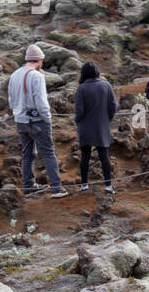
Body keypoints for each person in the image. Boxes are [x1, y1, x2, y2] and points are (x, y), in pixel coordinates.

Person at [8, 43, 67, 198]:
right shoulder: (37, 76)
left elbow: (11, 99)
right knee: (48, 153)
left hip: (20, 120)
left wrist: (17, 113)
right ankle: (56, 188)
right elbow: (41, 101)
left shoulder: (14, 75)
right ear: (39, 60)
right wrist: (47, 118)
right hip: (37, 121)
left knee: (27, 154)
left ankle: (28, 186)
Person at [74, 61, 117, 194]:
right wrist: (107, 120)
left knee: (85, 156)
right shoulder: (106, 85)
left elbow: (79, 111)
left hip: (86, 127)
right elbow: (113, 106)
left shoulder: (81, 88)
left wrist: (77, 121)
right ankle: (108, 186)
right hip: (101, 126)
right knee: (104, 156)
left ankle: (84, 185)